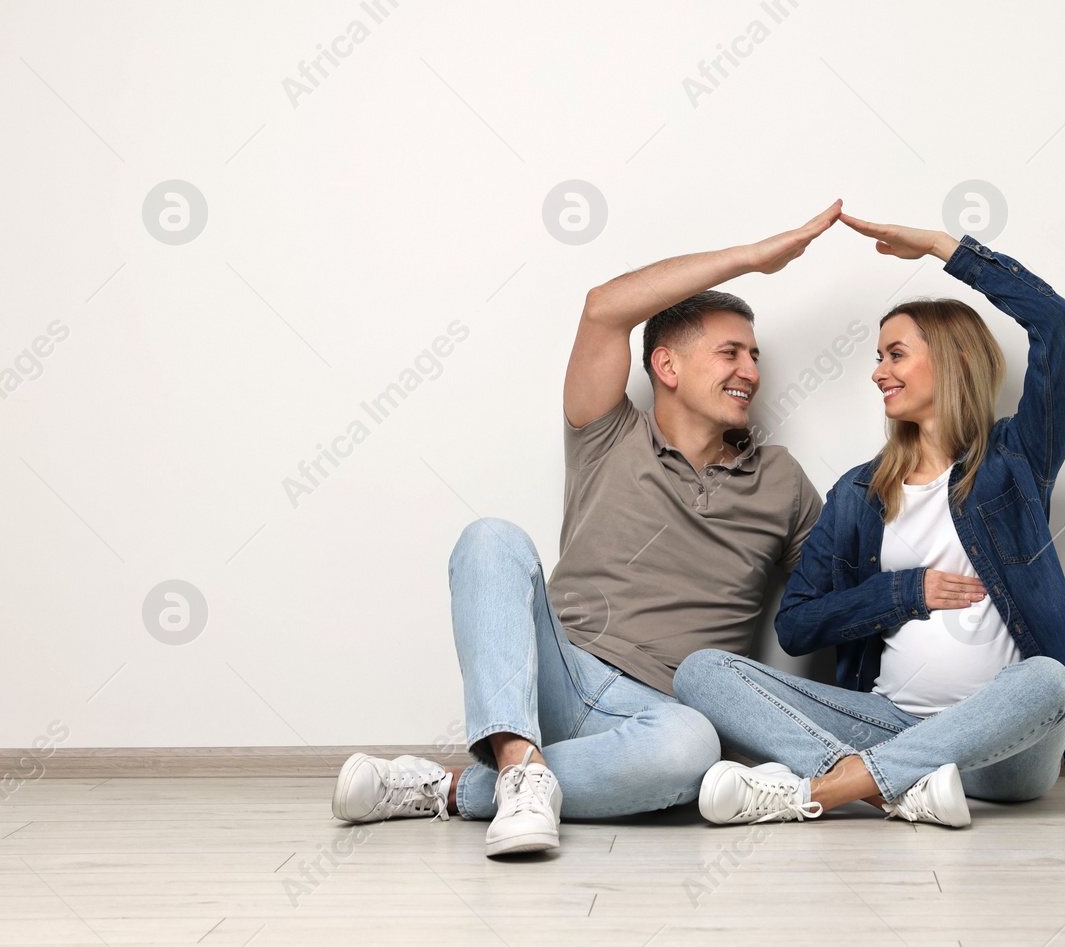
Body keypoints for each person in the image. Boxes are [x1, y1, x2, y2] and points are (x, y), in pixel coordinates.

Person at [328, 203, 839, 855]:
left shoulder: (782, 480)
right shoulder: (611, 432)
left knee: (692, 748)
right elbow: (604, 307)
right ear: (667, 366)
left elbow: (827, 605)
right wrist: (751, 257)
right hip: (558, 677)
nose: (750, 371)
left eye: (755, 356)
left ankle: (455, 789)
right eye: (730, 352)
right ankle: (517, 755)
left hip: (662, 713)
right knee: (491, 538)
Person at [674, 213, 1065, 827]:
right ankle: (896, 787)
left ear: (953, 358)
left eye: (895, 354)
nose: (878, 372)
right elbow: (796, 626)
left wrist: (938, 247)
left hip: (1004, 751)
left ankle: (833, 786)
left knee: (1052, 682)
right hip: (886, 724)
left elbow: (1054, 324)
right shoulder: (859, 492)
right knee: (702, 673)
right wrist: (903, 593)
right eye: (879, 357)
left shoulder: (1015, 462)